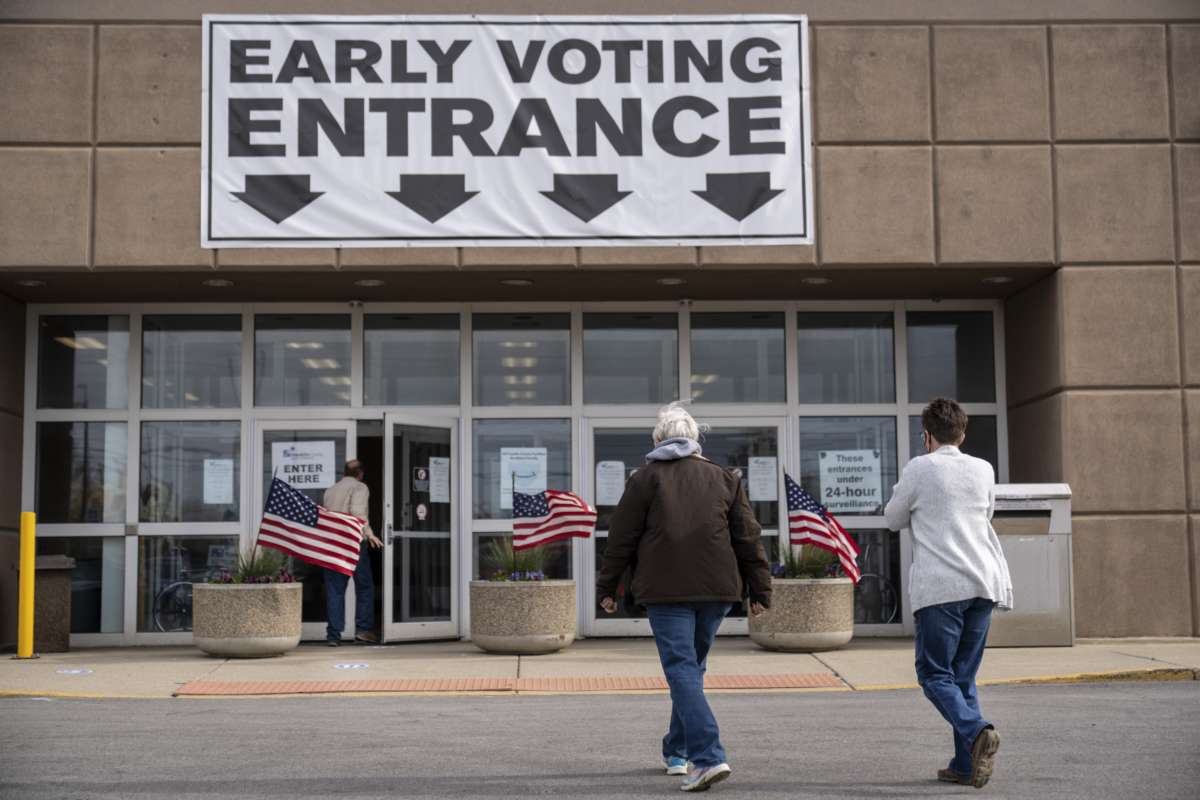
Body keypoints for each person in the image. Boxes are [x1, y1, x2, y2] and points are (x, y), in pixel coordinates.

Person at [598, 403, 772, 793]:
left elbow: (620, 539)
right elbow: (748, 536)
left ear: (658, 439)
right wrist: (759, 589)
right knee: (690, 669)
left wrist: (607, 588)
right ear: (694, 440)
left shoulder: (645, 479)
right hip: (717, 591)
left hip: (665, 591)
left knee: (681, 669)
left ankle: (707, 758)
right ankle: (676, 752)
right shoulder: (724, 478)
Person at [884, 398, 1013, 789]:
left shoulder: (920, 468)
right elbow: (985, 514)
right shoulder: (983, 468)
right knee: (963, 679)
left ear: (926, 436)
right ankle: (965, 765)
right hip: (982, 583)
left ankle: (977, 732)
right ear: (963, 432)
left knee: (934, 675)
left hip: (941, 587)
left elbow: (893, 519)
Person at [322, 459, 384, 646]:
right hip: (352, 543)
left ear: (344, 473)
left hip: (332, 544)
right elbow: (357, 514)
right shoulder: (360, 487)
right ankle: (363, 630)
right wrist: (369, 534)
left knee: (335, 590)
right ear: (360, 473)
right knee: (364, 587)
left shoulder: (330, 490)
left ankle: (333, 635)